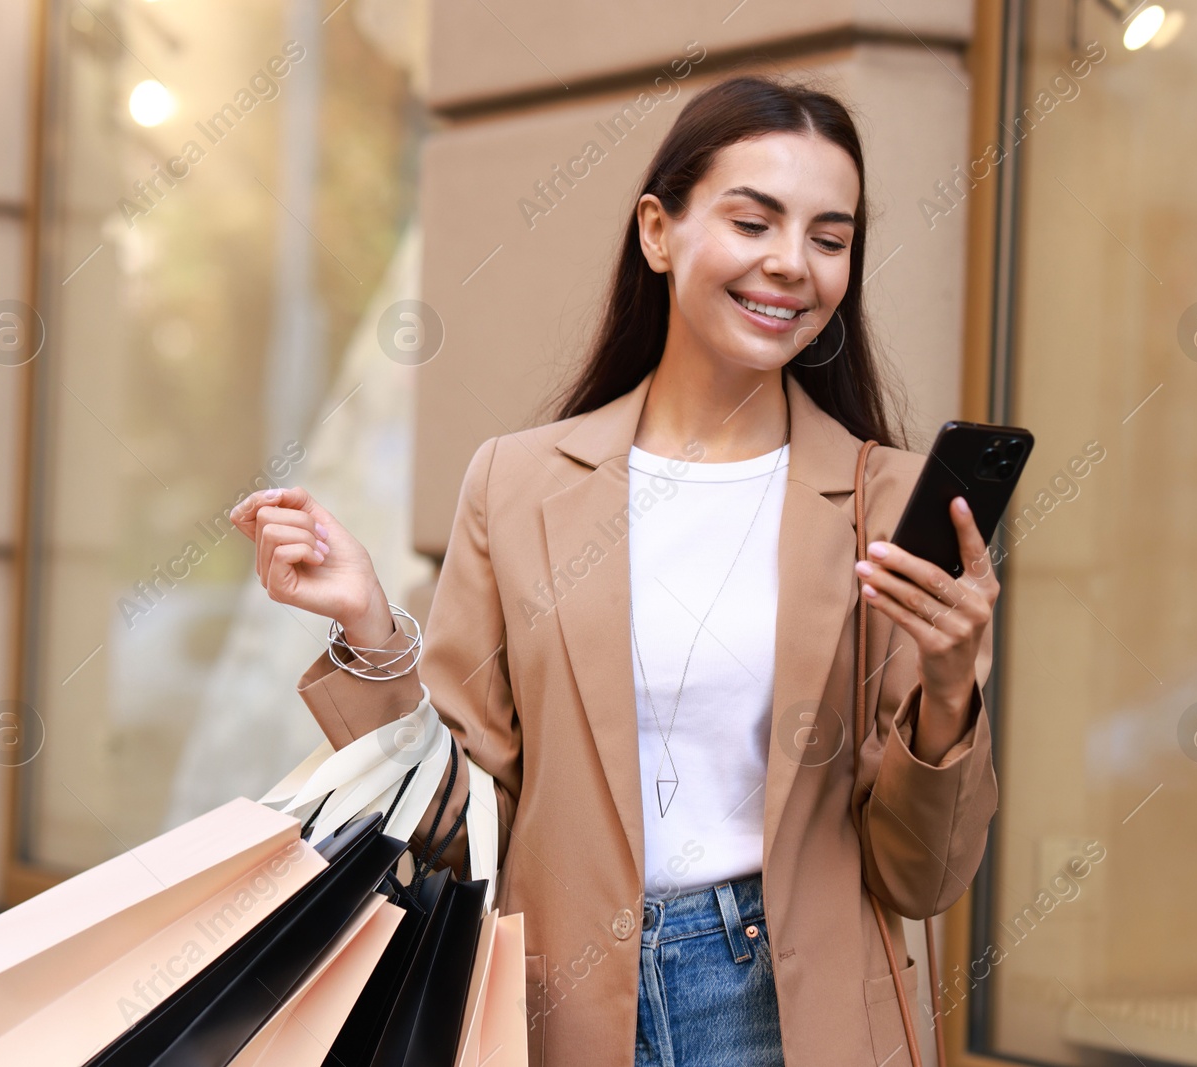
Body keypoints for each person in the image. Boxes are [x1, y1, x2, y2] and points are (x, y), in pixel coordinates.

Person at [231, 75, 998, 1067]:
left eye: (828, 236)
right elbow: (458, 824)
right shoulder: (518, 484)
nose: (789, 264)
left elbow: (920, 877)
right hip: (553, 996)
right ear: (657, 230)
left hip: (784, 1012)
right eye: (753, 220)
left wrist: (950, 687)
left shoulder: (886, 505)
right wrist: (371, 624)